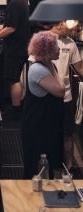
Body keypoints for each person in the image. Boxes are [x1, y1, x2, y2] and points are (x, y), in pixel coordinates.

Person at [22, 31, 65, 179]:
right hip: (37, 129)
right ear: (47, 51)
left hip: (45, 126)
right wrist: (52, 67)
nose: (59, 50)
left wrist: (51, 64)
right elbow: (60, 91)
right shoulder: (38, 69)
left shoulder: (47, 66)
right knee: (37, 169)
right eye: (56, 47)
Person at [50, 21, 82, 171]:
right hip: (48, 96)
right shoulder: (46, 39)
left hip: (66, 96)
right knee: (49, 132)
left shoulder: (71, 44)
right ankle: (50, 164)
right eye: (72, 26)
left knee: (67, 133)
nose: (74, 30)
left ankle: (68, 167)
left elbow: (80, 68)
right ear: (61, 22)